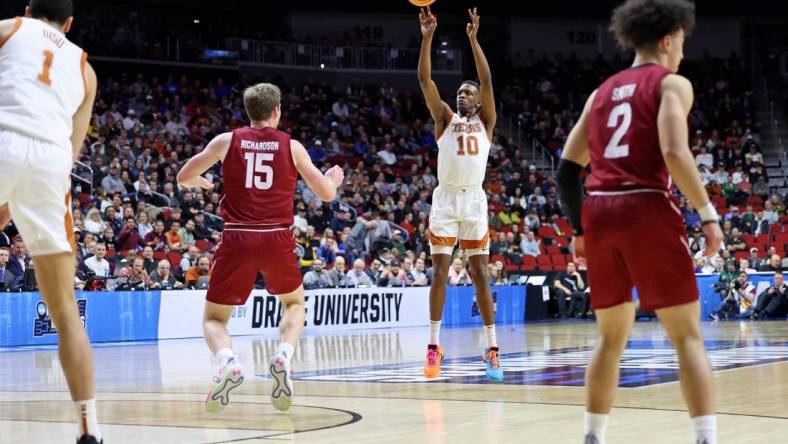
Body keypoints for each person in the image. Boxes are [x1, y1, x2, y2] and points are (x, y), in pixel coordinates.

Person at [555, 1, 722, 443]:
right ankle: (705, 437)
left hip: (599, 211)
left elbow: (567, 170)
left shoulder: (601, 92)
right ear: (669, 40)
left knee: (610, 338)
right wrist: (707, 214)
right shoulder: (672, 84)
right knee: (687, 336)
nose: (682, 54)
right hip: (645, 204)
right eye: (682, 44)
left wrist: (578, 231)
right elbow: (673, 150)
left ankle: (593, 435)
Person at [177, 82, 343, 413]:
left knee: (214, 318)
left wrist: (198, 181)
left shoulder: (227, 141)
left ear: (248, 112)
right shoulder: (292, 146)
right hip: (277, 237)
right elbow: (326, 194)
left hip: (237, 236)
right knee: (294, 303)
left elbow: (183, 175)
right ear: (277, 111)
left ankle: (227, 362)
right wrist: (333, 182)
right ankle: (283, 355)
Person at [0, 1, 102, 442]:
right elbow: (73, 148)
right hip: (50, 162)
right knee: (65, 314)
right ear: (70, 24)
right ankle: (89, 430)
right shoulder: (85, 68)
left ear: (27, 9)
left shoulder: (8, 28)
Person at [418, 6, 502, 381]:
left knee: (480, 275)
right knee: (439, 273)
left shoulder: (486, 122)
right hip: (446, 199)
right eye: (460, 92)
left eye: (468, 93)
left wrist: (473, 38)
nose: (462, 95)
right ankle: (434, 346)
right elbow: (425, 80)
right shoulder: (444, 120)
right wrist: (427, 38)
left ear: (479, 101)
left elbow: (486, 80)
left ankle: (492, 349)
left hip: (474, 201)